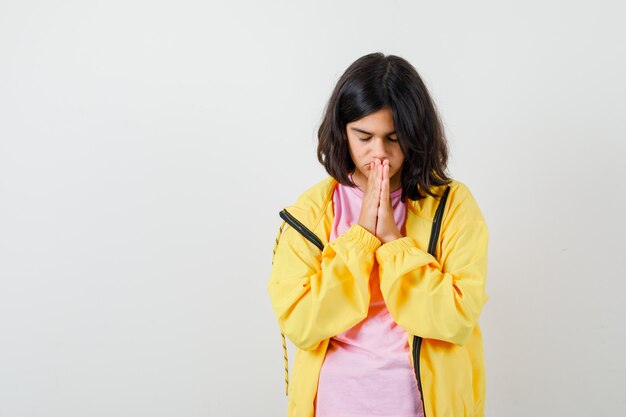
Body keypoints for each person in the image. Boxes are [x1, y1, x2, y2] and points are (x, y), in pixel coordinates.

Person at [268, 52, 489, 417]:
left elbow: (456, 317)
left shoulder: (453, 205)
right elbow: (302, 323)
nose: (379, 153)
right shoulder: (310, 212)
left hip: (422, 404)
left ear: (416, 135)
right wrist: (361, 239)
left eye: (393, 138)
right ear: (343, 131)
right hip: (335, 402)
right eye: (364, 136)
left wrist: (392, 241)